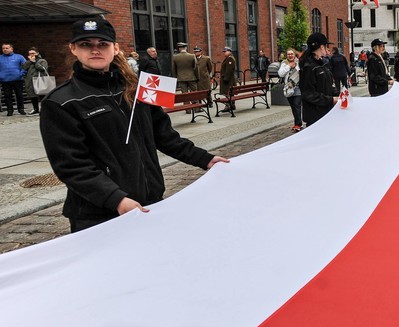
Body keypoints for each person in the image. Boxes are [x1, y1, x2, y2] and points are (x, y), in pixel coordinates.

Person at [39, 17, 228, 233]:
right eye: (85, 45)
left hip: (149, 203)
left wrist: (205, 159)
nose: (95, 50)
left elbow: (164, 136)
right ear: (73, 49)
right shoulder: (61, 102)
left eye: (102, 44)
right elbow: (71, 165)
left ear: (115, 48)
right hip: (99, 215)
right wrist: (116, 199)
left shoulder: (138, 89)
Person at [300, 33, 337, 126]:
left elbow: (328, 85)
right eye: (326, 46)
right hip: (315, 116)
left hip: (325, 113)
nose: (327, 48)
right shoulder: (309, 67)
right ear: (321, 47)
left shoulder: (321, 64)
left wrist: (338, 93)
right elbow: (308, 93)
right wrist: (330, 100)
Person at [279, 49, 303, 132]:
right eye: (288, 54)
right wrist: (289, 66)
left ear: (294, 55)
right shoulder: (284, 63)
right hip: (289, 88)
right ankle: (297, 123)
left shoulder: (299, 62)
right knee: (293, 107)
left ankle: (298, 124)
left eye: (291, 54)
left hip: (298, 87)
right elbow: (280, 74)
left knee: (297, 105)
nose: (290, 55)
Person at [0, 43, 27, 116]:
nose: (5, 49)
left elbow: (25, 66)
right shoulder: (0, 58)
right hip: (5, 80)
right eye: (3, 48)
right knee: (7, 95)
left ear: (11, 49)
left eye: (7, 48)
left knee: (19, 95)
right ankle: (10, 110)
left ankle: (21, 109)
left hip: (17, 79)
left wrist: (21, 74)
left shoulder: (19, 57)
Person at [22, 48, 49, 115]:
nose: (31, 55)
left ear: (37, 53)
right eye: (30, 53)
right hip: (30, 81)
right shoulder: (29, 61)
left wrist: (34, 62)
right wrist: (30, 61)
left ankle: (43, 109)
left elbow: (42, 69)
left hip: (40, 80)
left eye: (33, 53)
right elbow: (24, 67)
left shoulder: (42, 61)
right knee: (32, 95)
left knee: (41, 95)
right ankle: (35, 109)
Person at [219, 46, 238, 113]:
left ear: (229, 51)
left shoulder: (230, 59)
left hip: (228, 80)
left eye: (225, 51)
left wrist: (225, 79)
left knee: (228, 93)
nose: (224, 53)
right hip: (229, 79)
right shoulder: (228, 58)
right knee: (230, 93)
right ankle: (232, 105)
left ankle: (228, 106)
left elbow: (229, 70)